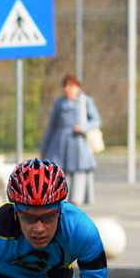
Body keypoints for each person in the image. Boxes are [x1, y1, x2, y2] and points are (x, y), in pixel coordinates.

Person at [40, 73, 102, 205]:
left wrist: (83, 127)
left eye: (72, 86)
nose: (69, 89)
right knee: (61, 173)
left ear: (78, 87)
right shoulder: (59, 103)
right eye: (66, 86)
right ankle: (61, 200)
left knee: (79, 172)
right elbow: (51, 127)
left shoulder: (85, 102)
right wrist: (44, 147)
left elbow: (96, 120)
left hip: (79, 144)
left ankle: (77, 201)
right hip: (60, 145)